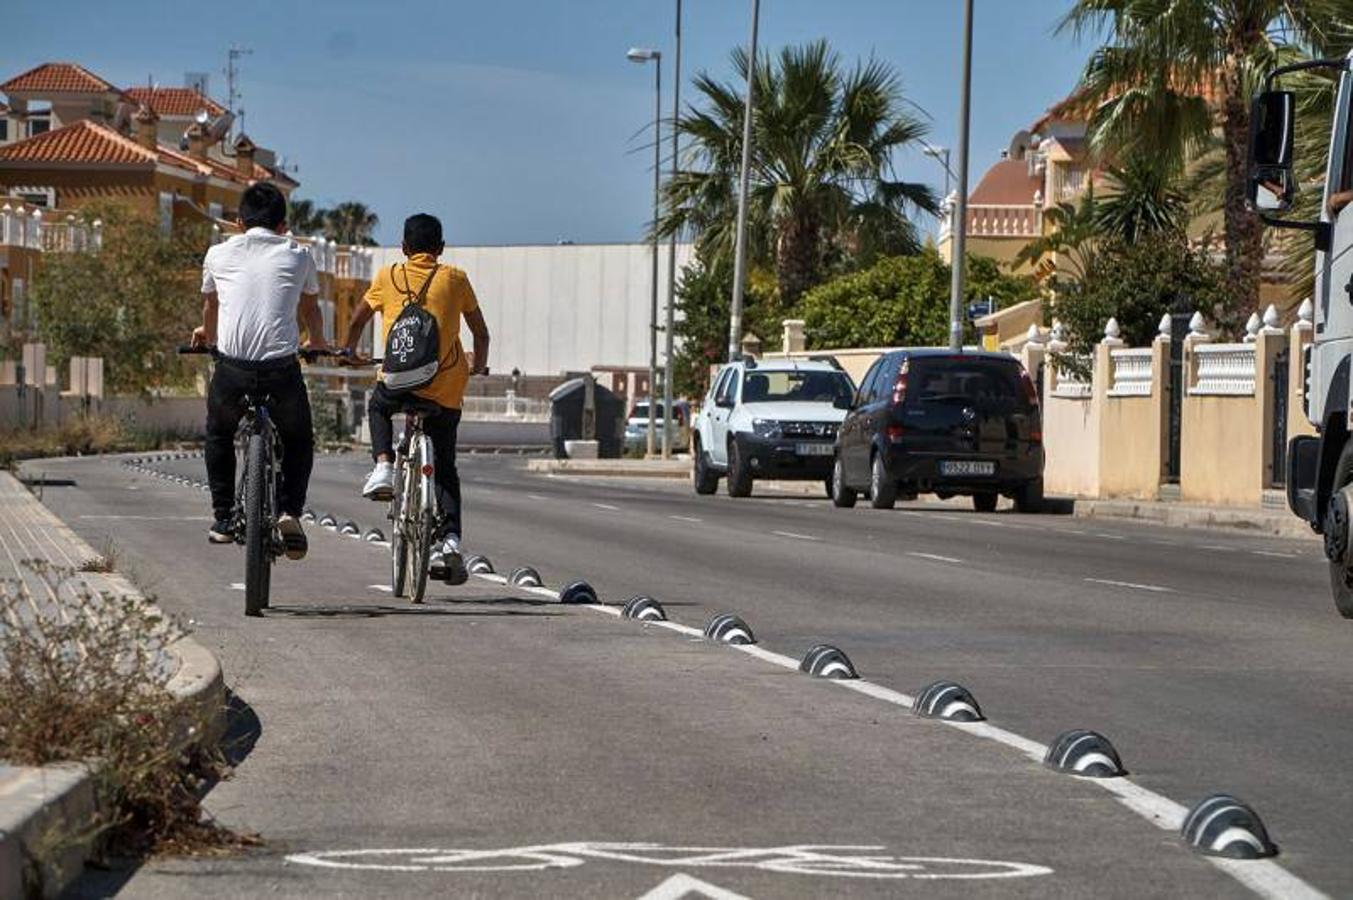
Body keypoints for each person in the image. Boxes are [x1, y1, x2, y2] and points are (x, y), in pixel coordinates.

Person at [342, 213, 490, 584]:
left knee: (378, 406)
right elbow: (481, 334)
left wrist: (348, 350)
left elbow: (358, 320)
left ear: (404, 247)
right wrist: (477, 367)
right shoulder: (455, 279)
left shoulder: (387, 276)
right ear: (440, 249)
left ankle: (384, 466)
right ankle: (451, 542)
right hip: (444, 388)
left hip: (397, 382)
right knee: (445, 468)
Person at [193, 181, 327, 557]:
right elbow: (311, 310)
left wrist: (207, 334)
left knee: (219, 433)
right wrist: (315, 343)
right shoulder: (298, 255)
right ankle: (289, 510)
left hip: (232, 371)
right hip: (280, 371)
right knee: (299, 439)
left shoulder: (218, 254)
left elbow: (211, 306)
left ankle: (222, 518)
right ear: (283, 227)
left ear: (238, 222)